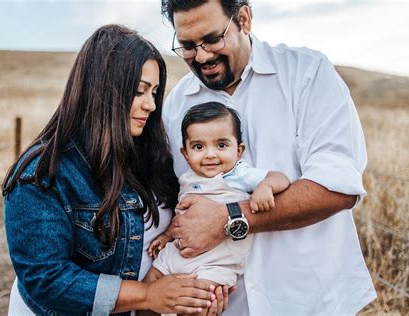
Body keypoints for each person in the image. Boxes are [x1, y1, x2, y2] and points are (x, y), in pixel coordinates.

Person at [160, 0, 377, 315]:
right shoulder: (175, 105)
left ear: (244, 19)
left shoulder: (307, 73)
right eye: (188, 46)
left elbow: (337, 187)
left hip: (310, 302)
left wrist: (229, 218)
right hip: (223, 306)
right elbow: (175, 202)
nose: (202, 55)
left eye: (212, 39)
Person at [2, 24, 223, 316]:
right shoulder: (42, 174)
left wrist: (200, 291)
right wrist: (148, 295)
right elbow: (47, 280)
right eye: (139, 91)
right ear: (102, 89)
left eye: (155, 92)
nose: (151, 105)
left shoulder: (151, 152)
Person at [139, 102, 289, 316]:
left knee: (197, 306)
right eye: (199, 147)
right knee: (149, 288)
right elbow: (183, 217)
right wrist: (166, 236)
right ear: (185, 153)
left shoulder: (238, 175)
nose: (210, 154)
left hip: (214, 265)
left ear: (239, 151)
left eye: (221, 145)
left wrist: (265, 186)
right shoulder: (188, 179)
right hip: (177, 254)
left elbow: (280, 178)